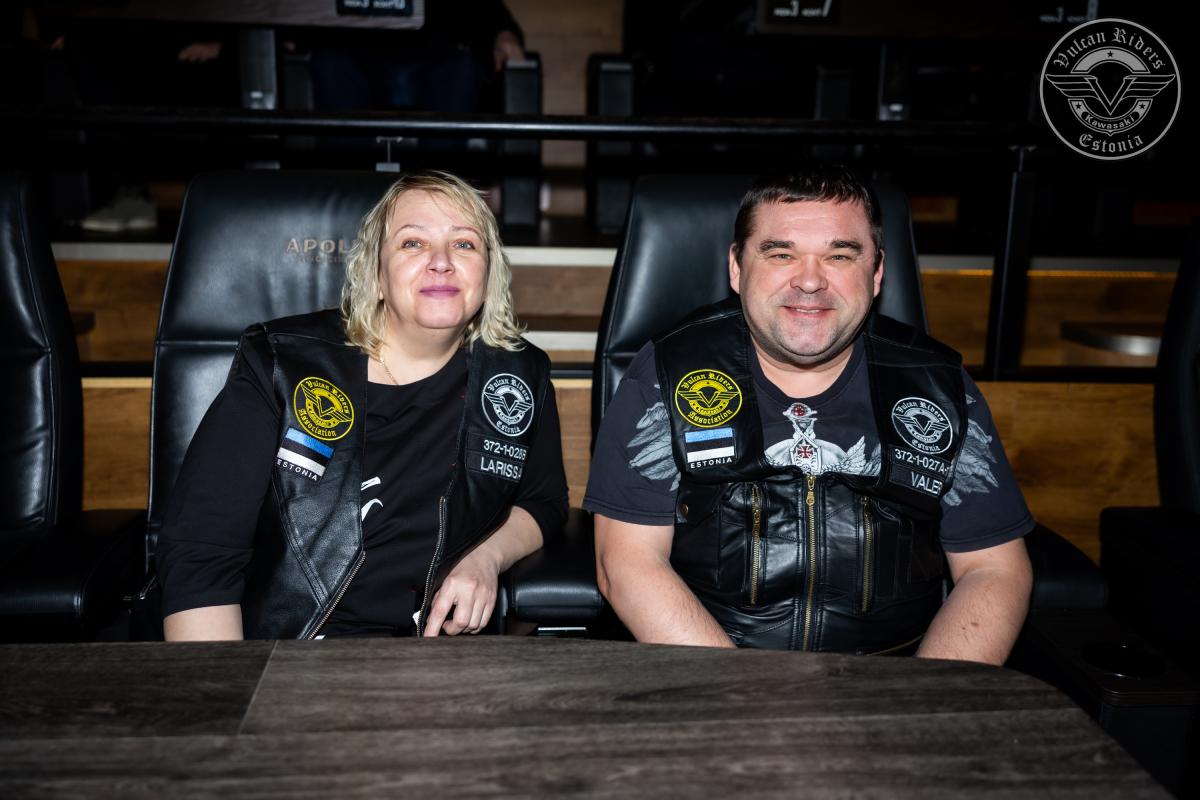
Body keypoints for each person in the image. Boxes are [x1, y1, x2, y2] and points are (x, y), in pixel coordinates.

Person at [585, 164, 1033, 663]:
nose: (810, 281)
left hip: (895, 674)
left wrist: (926, 698)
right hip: (710, 670)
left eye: (839, 255)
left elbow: (994, 570)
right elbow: (627, 563)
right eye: (781, 254)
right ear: (736, 267)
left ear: (877, 273)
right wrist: (734, 690)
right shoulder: (667, 373)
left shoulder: (940, 387)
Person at [158, 171, 568, 641]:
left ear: (488, 274)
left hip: (435, 658)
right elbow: (201, 555)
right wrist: (228, 684)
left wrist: (486, 557)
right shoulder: (280, 365)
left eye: (464, 244)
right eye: (413, 243)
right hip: (287, 650)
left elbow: (543, 502)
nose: (441, 262)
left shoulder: (518, 376)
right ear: (375, 275)